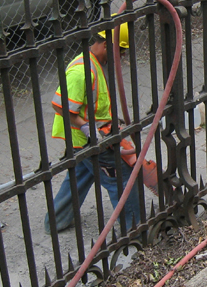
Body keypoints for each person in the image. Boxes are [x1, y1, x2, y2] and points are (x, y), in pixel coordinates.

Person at [45, 25, 143, 233]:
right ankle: (135, 229)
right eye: (120, 51)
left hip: (86, 139)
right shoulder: (82, 71)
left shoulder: (95, 63)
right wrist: (87, 129)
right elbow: (59, 104)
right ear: (107, 44)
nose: (122, 56)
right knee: (122, 177)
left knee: (82, 174)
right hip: (89, 138)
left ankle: (56, 221)